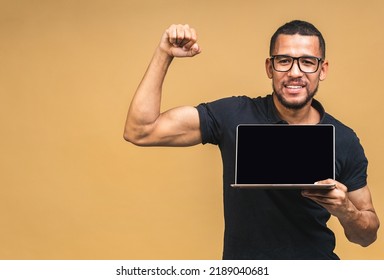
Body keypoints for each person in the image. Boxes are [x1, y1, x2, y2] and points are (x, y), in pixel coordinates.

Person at [124, 20, 380, 259]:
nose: (295, 72)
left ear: (322, 69)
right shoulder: (233, 116)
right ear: (270, 67)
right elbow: (141, 130)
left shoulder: (343, 139)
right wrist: (164, 53)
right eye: (284, 61)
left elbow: (367, 235)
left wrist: (345, 209)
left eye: (307, 62)